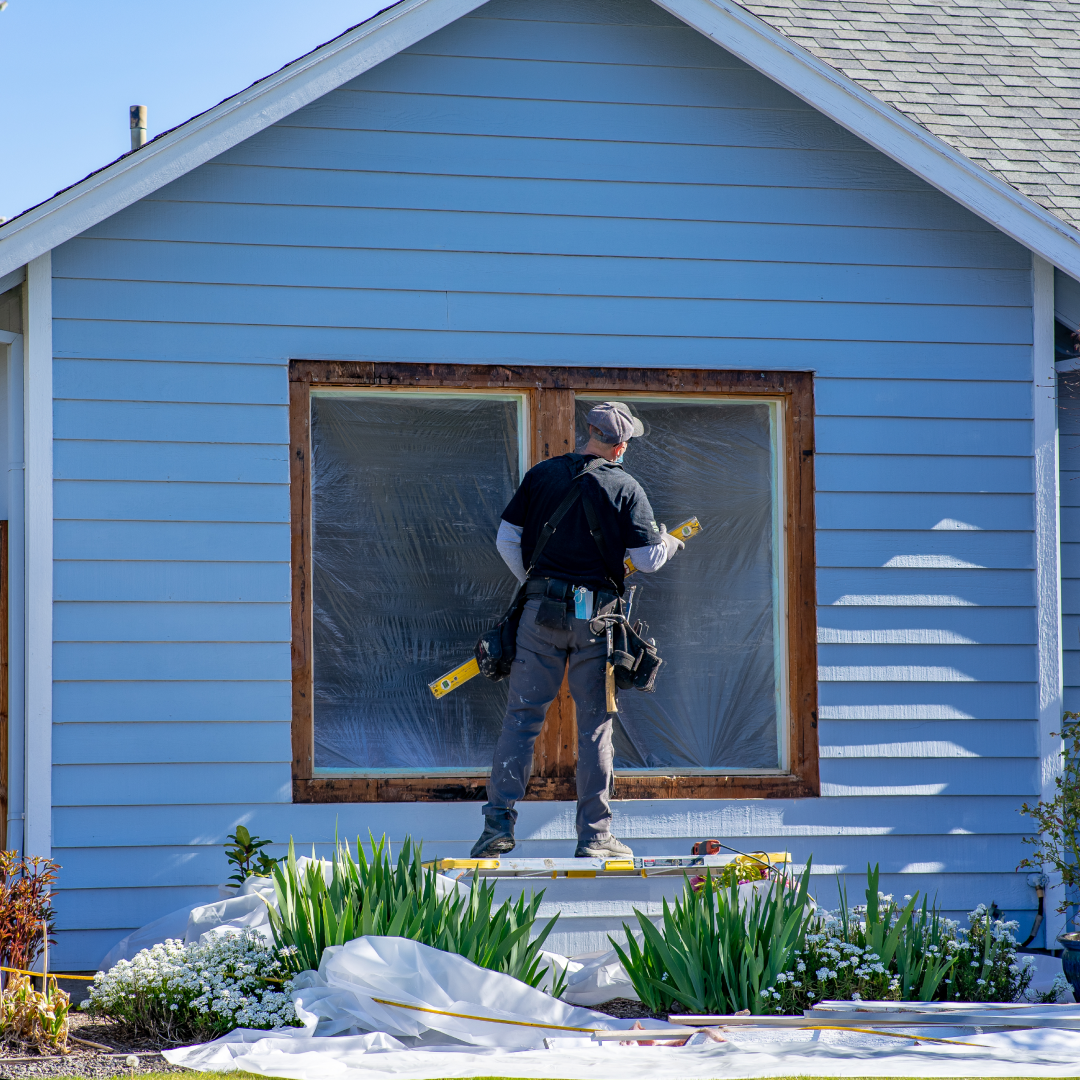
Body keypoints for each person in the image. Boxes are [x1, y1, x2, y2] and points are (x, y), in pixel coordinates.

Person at [471, 401, 684, 860]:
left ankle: (496, 827)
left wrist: (537, 581)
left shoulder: (543, 474)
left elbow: (506, 539)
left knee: (522, 719)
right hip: (596, 622)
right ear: (621, 446)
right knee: (594, 728)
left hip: (538, 616)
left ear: (587, 431)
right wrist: (670, 542)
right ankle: (594, 837)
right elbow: (646, 560)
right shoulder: (626, 486)